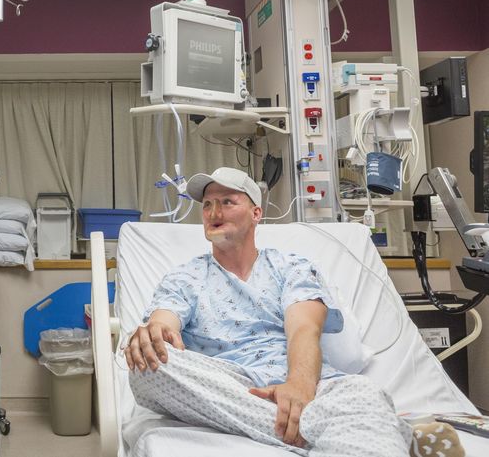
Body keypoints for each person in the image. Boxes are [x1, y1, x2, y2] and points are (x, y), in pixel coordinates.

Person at [124, 167, 413, 457]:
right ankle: (347, 430)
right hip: (225, 386)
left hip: (305, 384)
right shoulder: (186, 277)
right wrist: (154, 333)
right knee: (148, 365)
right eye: (208, 205)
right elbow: (164, 321)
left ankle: (319, 424)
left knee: (363, 393)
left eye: (227, 202)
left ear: (256, 214)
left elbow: (304, 328)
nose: (214, 212)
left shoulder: (290, 267)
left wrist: (298, 388)